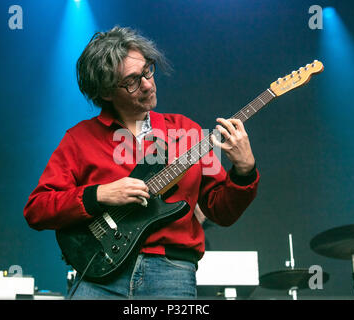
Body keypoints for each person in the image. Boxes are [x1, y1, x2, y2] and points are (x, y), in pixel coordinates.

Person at [23, 26, 260, 299]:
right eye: (133, 81)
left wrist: (244, 171)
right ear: (106, 92)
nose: (148, 84)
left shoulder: (188, 132)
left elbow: (222, 212)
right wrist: (99, 194)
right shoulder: (80, 139)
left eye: (148, 70)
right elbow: (37, 209)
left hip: (170, 272)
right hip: (99, 274)